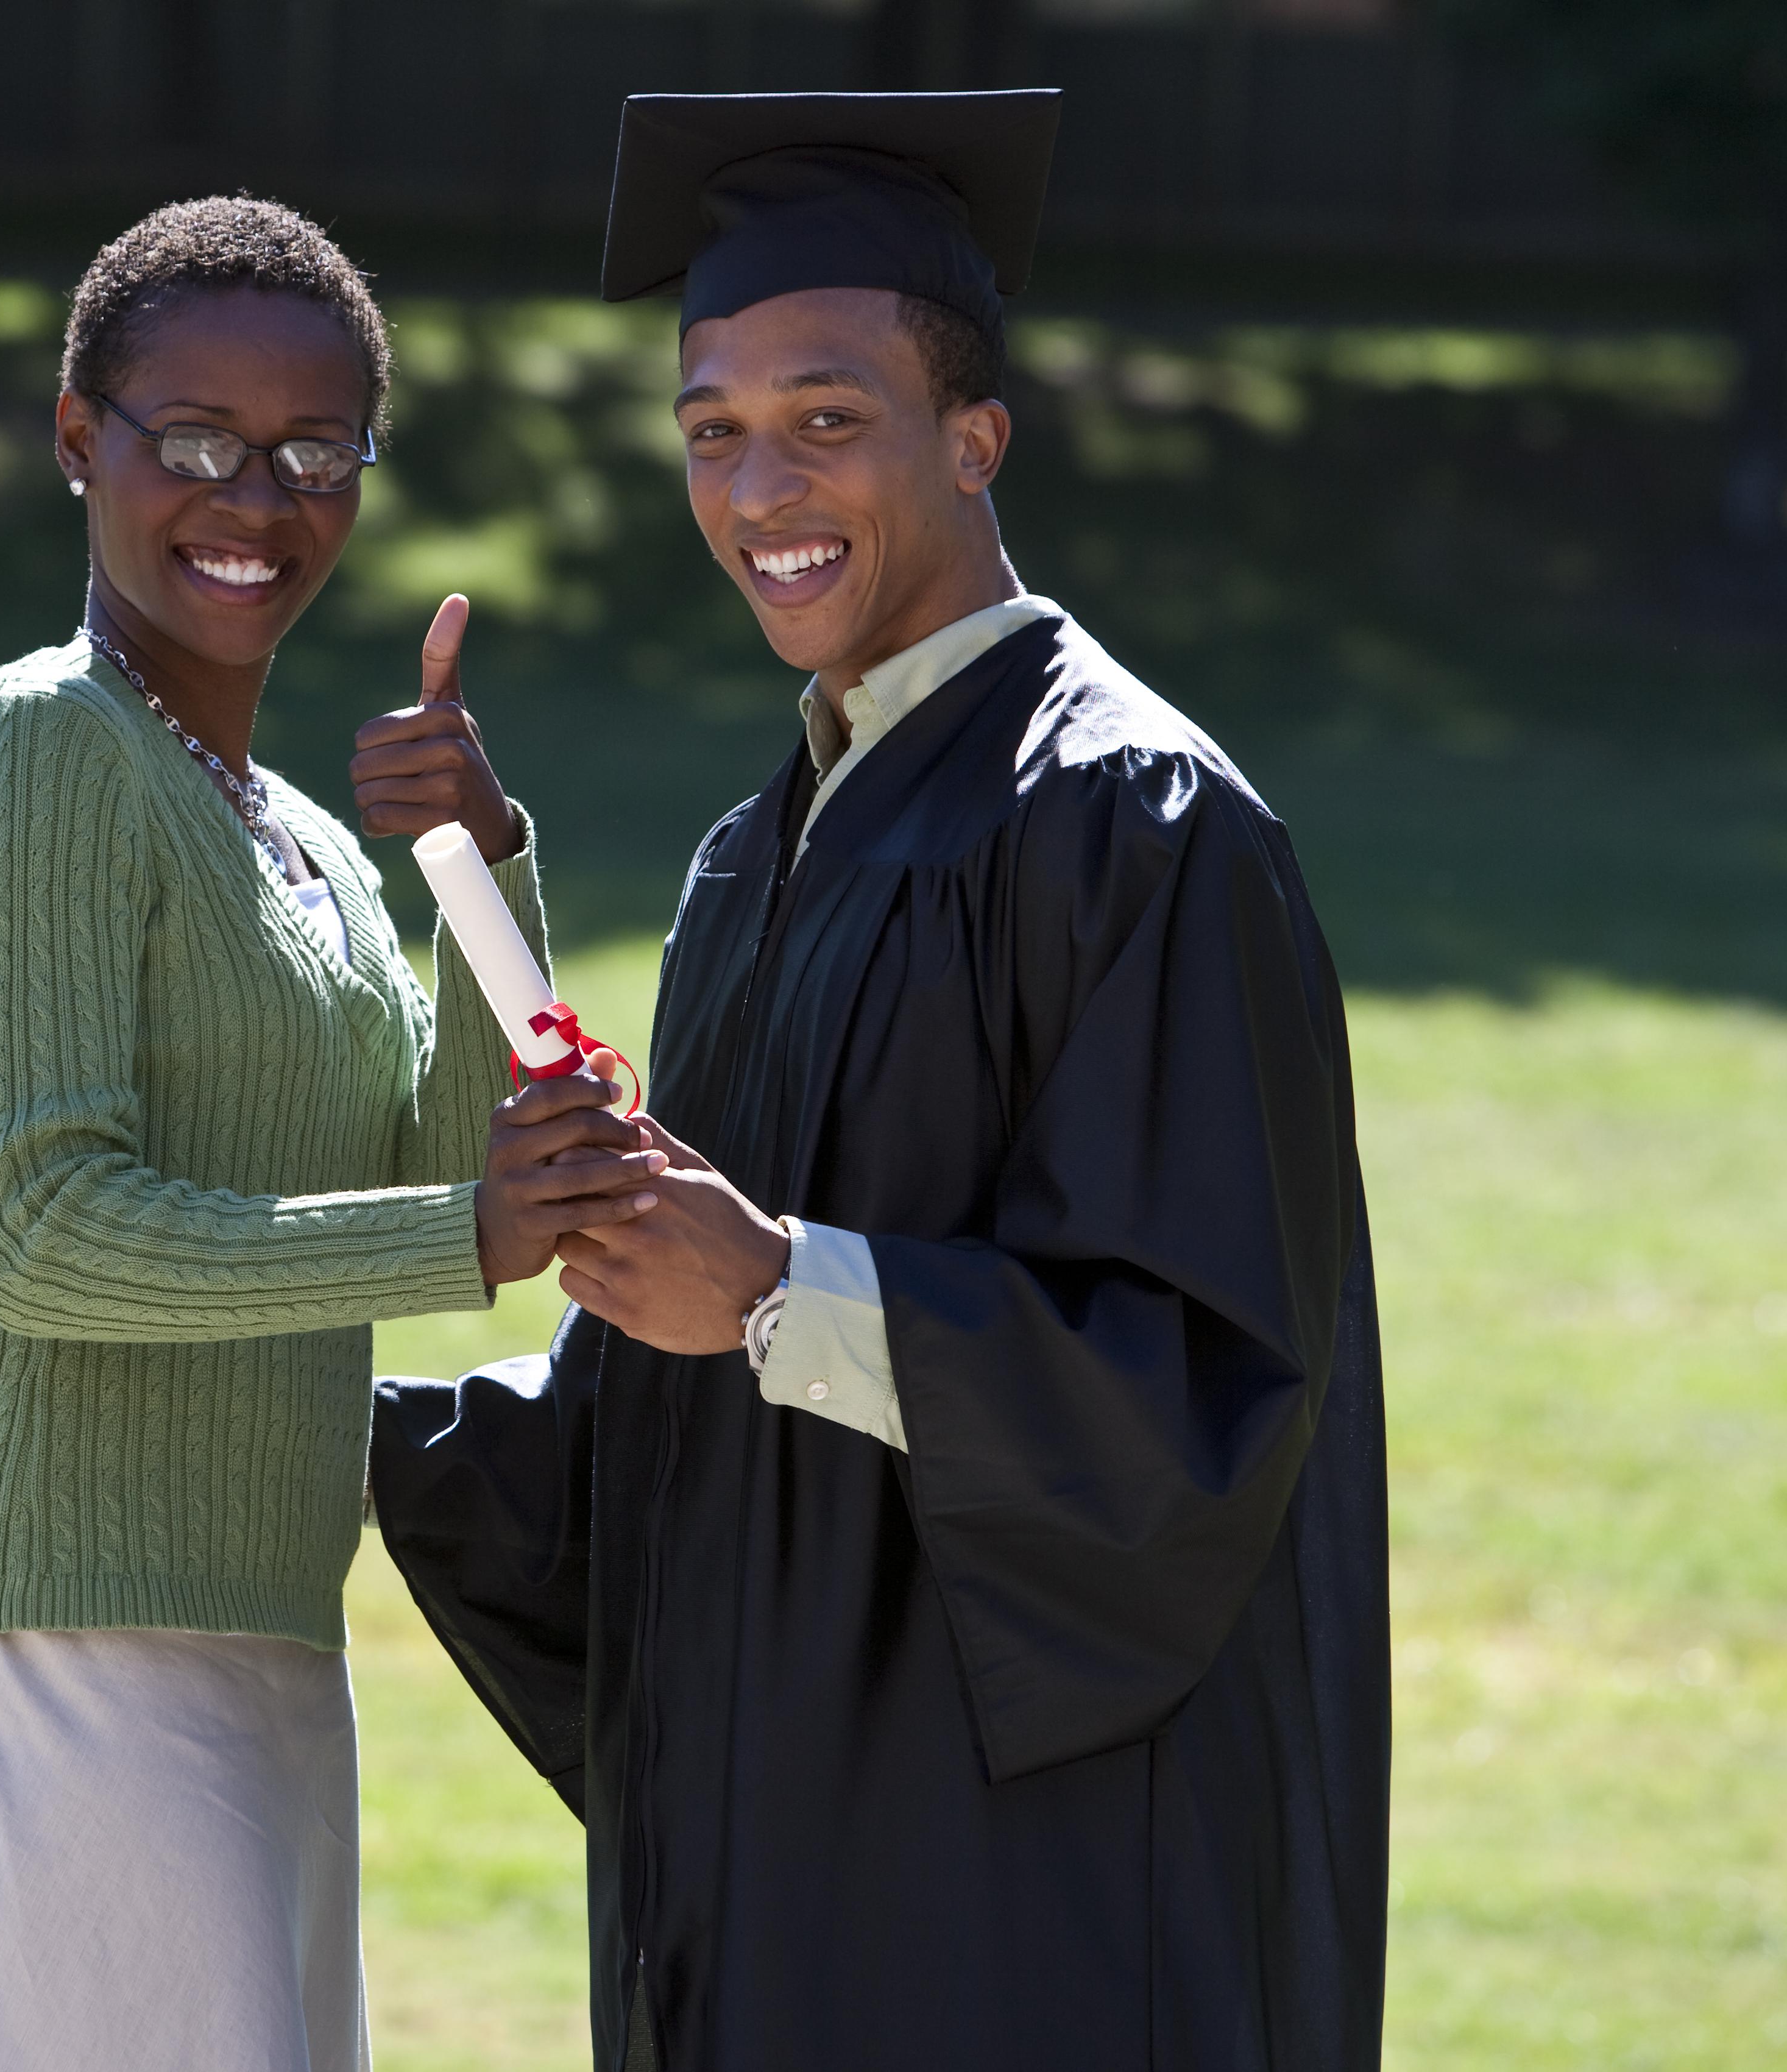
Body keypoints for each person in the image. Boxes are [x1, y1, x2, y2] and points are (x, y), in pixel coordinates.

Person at [370, 94, 1390, 2071]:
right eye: (710, 431)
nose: (760, 486)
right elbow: (673, 1378)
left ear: (974, 439)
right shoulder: (759, 855)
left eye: (825, 418)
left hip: (1025, 1884)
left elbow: (1202, 1387)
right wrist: (306, 1401)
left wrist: (772, 1288)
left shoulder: (1131, 825)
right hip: (783, 1827)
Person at [0, 196, 663, 2072]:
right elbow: (39, 1234)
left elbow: (456, 1159)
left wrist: (476, 864)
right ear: (77, 438)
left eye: (312, 452)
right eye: (193, 442)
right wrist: (462, 1233)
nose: (254, 501)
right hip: (47, 1664)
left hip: (258, 1657)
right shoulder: (41, 748)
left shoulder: (304, 844)